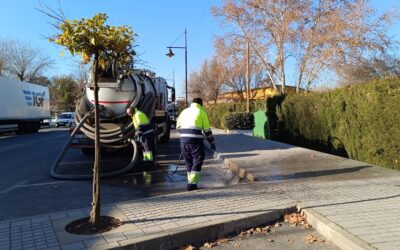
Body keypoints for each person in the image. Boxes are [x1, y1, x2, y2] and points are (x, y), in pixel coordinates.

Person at [176, 97, 216, 191]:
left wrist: (186, 134)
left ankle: (190, 181)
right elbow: (207, 130)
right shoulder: (201, 112)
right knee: (197, 159)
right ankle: (192, 184)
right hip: (195, 142)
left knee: (188, 161)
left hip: (183, 141)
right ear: (200, 104)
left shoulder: (184, 111)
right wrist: (212, 142)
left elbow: (178, 127)